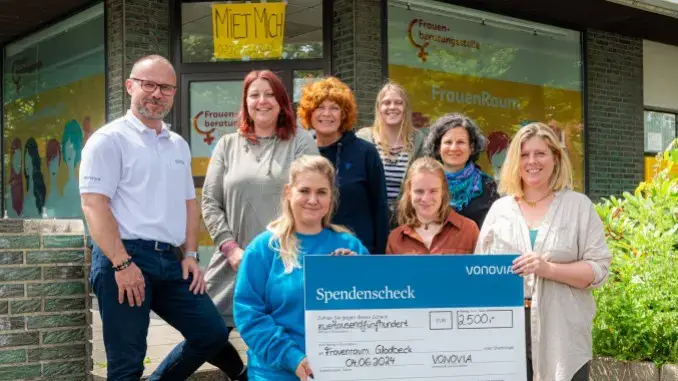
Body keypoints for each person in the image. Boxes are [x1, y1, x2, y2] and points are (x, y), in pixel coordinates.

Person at [80, 54, 231, 380]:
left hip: (171, 262)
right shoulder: (109, 140)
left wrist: (191, 254)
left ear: (173, 94)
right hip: (124, 258)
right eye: (149, 84)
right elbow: (94, 205)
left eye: (166, 88)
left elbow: (190, 203)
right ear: (130, 85)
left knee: (211, 333)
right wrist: (121, 263)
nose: (157, 93)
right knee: (127, 365)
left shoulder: (177, 145)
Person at [202, 70, 319, 378]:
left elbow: (315, 197)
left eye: (269, 94)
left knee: (277, 335)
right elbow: (210, 203)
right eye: (254, 95)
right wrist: (230, 248)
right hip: (234, 261)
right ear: (246, 103)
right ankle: (241, 373)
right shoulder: (227, 144)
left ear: (282, 102)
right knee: (205, 333)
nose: (262, 101)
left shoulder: (300, 142)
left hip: (286, 261)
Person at [474, 122, 612, 381]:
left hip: (562, 334)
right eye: (524, 155)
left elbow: (598, 270)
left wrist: (549, 269)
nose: (532, 161)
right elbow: (481, 271)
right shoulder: (500, 210)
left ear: (555, 158)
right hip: (506, 332)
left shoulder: (578, 206)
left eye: (540, 153)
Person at [233, 155, 369, 381]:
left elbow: (374, 309)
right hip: (275, 372)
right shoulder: (263, 249)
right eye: (304, 190)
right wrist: (291, 358)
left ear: (331, 197)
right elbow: (249, 314)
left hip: (340, 370)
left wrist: (359, 273)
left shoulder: (351, 246)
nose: (313, 199)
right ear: (288, 192)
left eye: (322, 192)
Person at [297, 76, 388, 254]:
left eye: (334, 108)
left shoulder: (365, 152)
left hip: (357, 253)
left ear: (344, 114)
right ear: (309, 112)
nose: (326, 114)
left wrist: (378, 258)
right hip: (311, 253)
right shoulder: (301, 153)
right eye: (320, 107)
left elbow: (380, 208)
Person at [356, 81, 426, 223]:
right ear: (379, 108)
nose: (392, 107)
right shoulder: (363, 139)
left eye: (398, 103)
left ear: (405, 108)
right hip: (370, 219)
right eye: (386, 103)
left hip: (408, 221)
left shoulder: (419, 141)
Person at [386, 157, 479, 255]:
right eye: (419, 191)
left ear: (443, 191)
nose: (426, 199)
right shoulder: (395, 239)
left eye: (433, 191)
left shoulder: (469, 230)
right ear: (409, 191)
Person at [424, 113, 499, 229]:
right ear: (438, 148)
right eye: (448, 142)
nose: (454, 148)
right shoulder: (424, 184)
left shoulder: (489, 187)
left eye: (460, 142)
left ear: (471, 148)